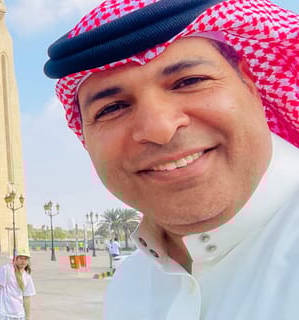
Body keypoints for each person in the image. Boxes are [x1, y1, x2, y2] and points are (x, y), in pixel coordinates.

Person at [43, 0, 299, 318]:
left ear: (250, 84)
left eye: (189, 81)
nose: (160, 129)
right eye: (111, 108)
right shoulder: (130, 285)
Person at [0, 250, 35, 320]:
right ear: (15, 259)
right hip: (3, 312)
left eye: (26, 259)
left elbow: (26, 298)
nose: (23, 261)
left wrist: (27, 317)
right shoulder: (6, 269)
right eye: (21, 258)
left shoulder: (27, 277)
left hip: (19, 314)